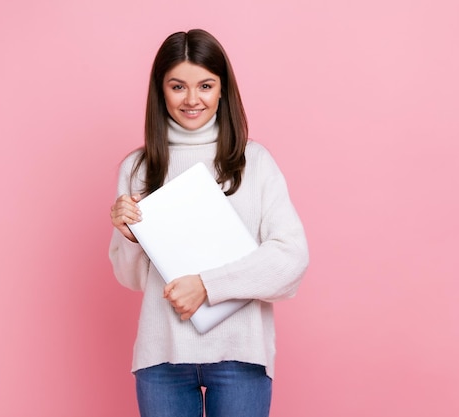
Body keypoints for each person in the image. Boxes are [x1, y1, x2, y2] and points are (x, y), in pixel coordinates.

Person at [109, 28, 309, 417]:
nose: (192, 99)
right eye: (177, 86)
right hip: (162, 357)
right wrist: (131, 237)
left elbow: (291, 260)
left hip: (240, 355)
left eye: (205, 85)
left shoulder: (255, 162)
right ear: (160, 91)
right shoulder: (137, 168)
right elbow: (131, 280)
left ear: (222, 89)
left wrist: (207, 286)